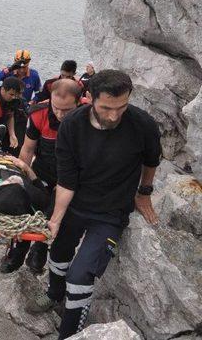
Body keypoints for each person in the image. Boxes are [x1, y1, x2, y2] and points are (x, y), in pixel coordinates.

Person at [27, 70, 161, 339]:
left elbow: (151, 160)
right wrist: (55, 219)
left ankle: (69, 334)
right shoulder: (72, 126)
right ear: (89, 98)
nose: (114, 115)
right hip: (76, 202)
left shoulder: (142, 124)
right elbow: (66, 180)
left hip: (111, 213)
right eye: (106, 108)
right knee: (59, 253)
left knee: (79, 276)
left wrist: (144, 192)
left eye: (121, 107)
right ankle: (54, 294)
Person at [17, 79, 82, 274]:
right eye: (57, 108)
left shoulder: (86, 117)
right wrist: (21, 176)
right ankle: (17, 252)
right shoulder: (38, 114)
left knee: (52, 211)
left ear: (78, 103)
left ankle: (39, 248)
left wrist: (68, 182)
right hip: (43, 169)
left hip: (70, 173)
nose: (61, 115)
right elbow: (28, 149)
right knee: (29, 207)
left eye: (67, 110)